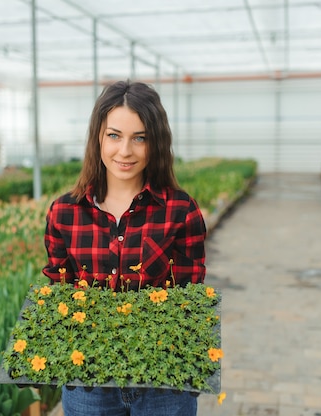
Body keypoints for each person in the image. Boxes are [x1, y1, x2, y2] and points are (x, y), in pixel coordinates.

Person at [42, 80, 207, 416]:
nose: (125, 151)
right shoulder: (65, 213)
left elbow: (188, 299)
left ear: (156, 142)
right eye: (114, 135)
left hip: (162, 385)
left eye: (140, 138)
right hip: (89, 382)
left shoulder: (180, 211)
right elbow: (60, 294)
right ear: (97, 138)